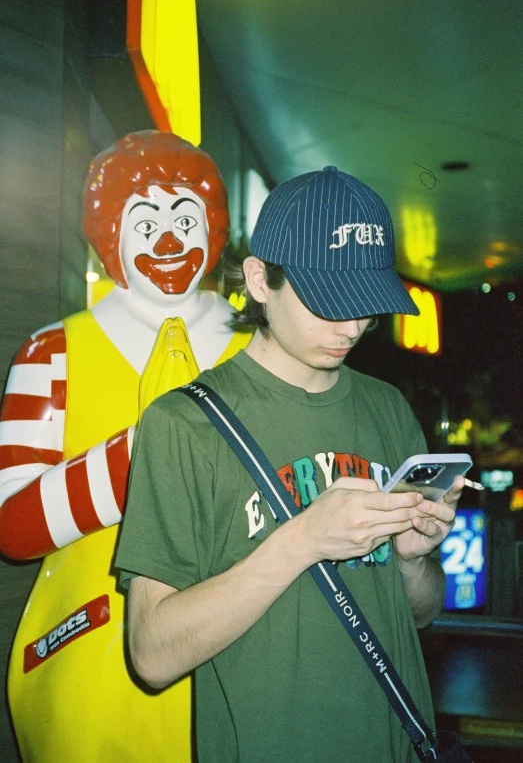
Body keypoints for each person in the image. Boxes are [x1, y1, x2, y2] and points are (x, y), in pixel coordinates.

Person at [115, 166, 465, 762]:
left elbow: (422, 613)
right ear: (258, 280)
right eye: (330, 301)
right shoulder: (184, 424)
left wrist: (412, 560)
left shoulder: (387, 407)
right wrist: (302, 538)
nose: (352, 326)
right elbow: (150, 654)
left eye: (366, 304)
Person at [0, 130, 250, 763]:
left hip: (244, 669)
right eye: (145, 223)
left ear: (213, 228)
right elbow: (12, 524)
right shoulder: (51, 353)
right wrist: (144, 458)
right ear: (109, 234)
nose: (169, 241)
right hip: (90, 668)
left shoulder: (260, 351)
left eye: (185, 218)